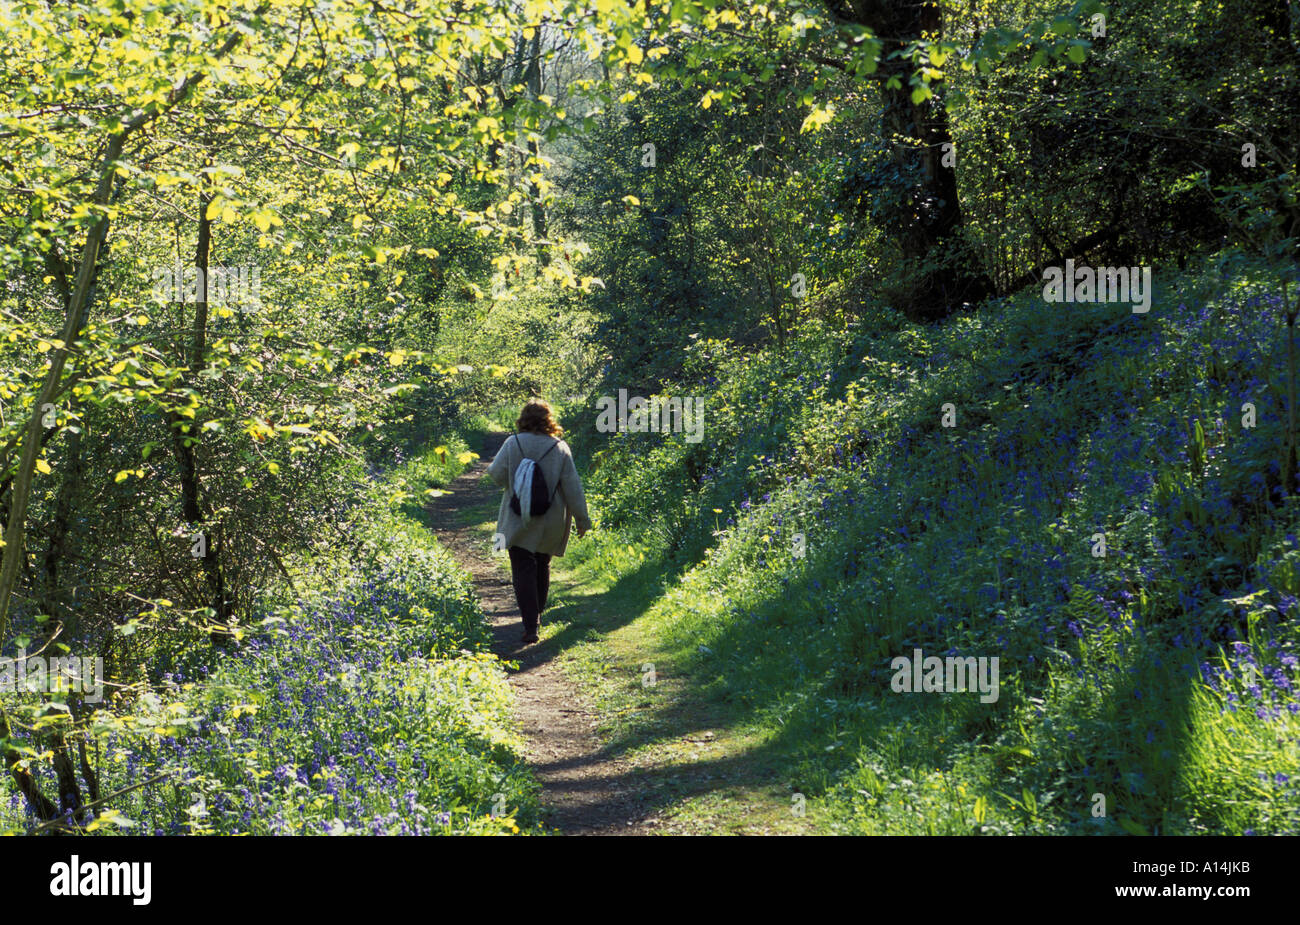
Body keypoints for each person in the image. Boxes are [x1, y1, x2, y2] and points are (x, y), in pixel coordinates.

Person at [488, 399, 593, 644]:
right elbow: (573, 487)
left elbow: (495, 474)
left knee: (522, 568)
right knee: (542, 565)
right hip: (550, 519)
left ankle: (530, 624)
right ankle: (537, 616)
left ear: (523, 418)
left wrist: (516, 484)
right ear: (549, 420)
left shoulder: (512, 443)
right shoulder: (560, 448)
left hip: (517, 518)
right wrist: (582, 520)